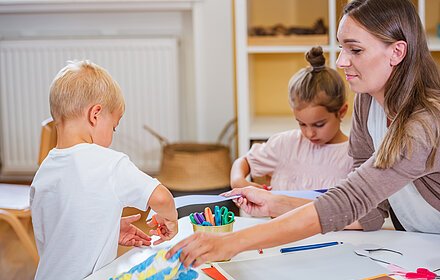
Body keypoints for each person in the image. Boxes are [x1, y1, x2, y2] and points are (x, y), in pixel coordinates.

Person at [167, 0, 440, 267]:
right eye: (342, 47)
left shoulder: (423, 125)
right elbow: (367, 211)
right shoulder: (368, 102)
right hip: (420, 244)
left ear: (397, 52)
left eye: (355, 50)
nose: (342, 61)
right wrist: (276, 204)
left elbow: (351, 198)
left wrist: (231, 242)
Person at [30, 60, 178, 280]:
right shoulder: (110, 163)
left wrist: (106, 228)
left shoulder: (43, 171)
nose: (113, 134)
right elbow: (162, 198)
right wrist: (170, 219)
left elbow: (60, 229)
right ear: (95, 115)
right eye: (114, 127)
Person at [231, 46, 352, 191]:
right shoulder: (284, 145)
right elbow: (245, 161)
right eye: (302, 124)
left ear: (342, 111)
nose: (309, 133)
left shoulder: (352, 156)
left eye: (319, 124)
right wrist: (238, 181)